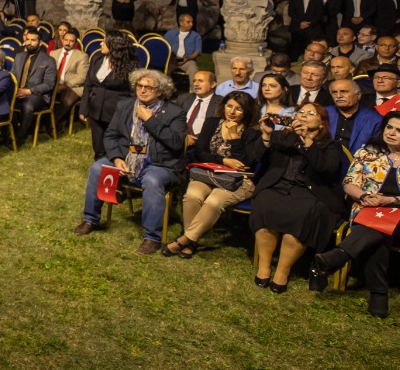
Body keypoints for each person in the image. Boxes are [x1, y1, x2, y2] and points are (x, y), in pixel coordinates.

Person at [311, 112, 400, 317]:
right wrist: (364, 196)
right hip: (371, 211)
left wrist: (390, 201)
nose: (391, 133)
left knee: (377, 229)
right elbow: (349, 183)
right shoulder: (367, 153)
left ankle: (341, 257)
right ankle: (378, 296)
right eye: (389, 127)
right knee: (380, 234)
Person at [73, 70, 186, 254]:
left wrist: (150, 120)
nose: (142, 90)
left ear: (160, 91)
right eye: (139, 86)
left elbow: (176, 143)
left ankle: (152, 237)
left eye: (148, 87)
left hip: (159, 163)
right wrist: (117, 159)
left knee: (152, 180)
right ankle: (90, 219)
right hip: (126, 159)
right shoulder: (125, 106)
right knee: (98, 167)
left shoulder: (175, 112)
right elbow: (110, 135)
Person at [249, 104, 345, 293]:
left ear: (321, 124)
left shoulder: (331, 146)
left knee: (303, 214)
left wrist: (308, 142)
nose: (304, 116)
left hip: (311, 192)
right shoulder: (282, 137)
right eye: (301, 112)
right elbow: (256, 157)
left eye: (311, 113)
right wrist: (267, 135)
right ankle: (264, 266)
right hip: (278, 186)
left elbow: (326, 170)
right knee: (264, 202)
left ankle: (282, 272)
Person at [165, 92, 263, 258]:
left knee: (213, 202)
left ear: (246, 111)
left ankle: (185, 240)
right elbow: (200, 152)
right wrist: (224, 161)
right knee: (192, 196)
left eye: (238, 109)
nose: (232, 111)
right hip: (208, 174)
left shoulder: (252, 134)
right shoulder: (212, 123)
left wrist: (233, 138)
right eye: (229, 106)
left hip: (237, 180)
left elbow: (243, 163)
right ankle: (193, 240)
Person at [81, 32, 138, 160]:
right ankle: (100, 169)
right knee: (98, 146)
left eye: (104, 41)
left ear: (114, 45)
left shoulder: (130, 65)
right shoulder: (97, 57)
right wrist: (84, 108)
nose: (101, 43)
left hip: (116, 111)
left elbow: (134, 92)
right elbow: (88, 84)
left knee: (114, 145)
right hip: (95, 109)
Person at [9, 28, 57, 136]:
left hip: (37, 94)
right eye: (27, 39)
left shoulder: (48, 60)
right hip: (18, 91)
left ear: (40, 43)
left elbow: (49, 84)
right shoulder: (19, 56)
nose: (29, 43)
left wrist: (28, 91)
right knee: (2, 100)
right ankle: (10, 131)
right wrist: (15, 89)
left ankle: (20, 135)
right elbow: (13, 76)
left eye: (33, 40)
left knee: (28, 105)